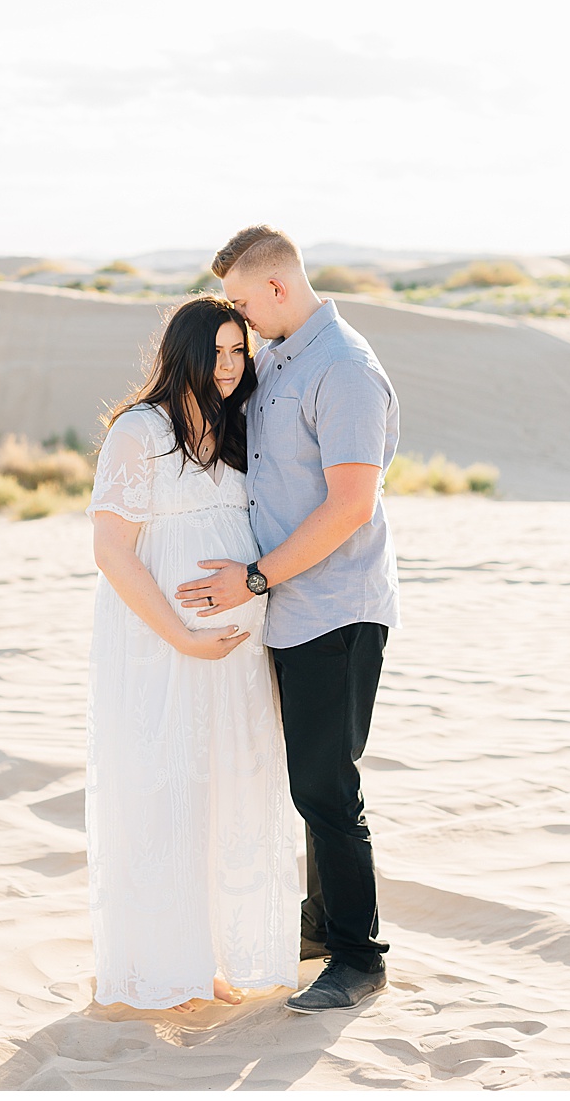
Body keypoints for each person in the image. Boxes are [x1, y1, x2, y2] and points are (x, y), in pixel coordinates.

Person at [174, 225, 401, 1015]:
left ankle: (359, 956)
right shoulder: (276, 360)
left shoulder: (344, 370)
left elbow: (350, 505)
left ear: (275, 289)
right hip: (288, 611)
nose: (237, 316)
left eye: (240, 300)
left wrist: (257, 575)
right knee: (304, 777)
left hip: (337, 607)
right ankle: (320, 920)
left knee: (329, 786)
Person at [85, 295, 299, 1011]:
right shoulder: (140, 432)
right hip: (162, 648)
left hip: (237, 654)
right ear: (182, 353)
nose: (231, 366)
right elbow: (111, 550)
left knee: (228, 790)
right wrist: (180, 636)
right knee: (165, 791)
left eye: (240, 351)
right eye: (217, 351)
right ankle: (166, 967)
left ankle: (220, 954)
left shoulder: (240, 430)